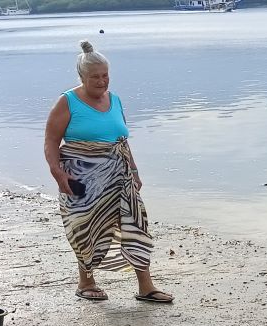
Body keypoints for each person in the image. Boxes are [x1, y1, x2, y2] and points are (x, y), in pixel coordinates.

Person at [44, 40, 172, 303]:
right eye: (95, 77)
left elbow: (121, 139)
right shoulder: (67, 102)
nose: (102, 82)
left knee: (136, 225)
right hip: (81, 176)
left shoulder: (115, 100)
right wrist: (58, 175)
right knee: (86, 227)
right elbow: (50, 141)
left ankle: (145, 286)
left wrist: (134, 170)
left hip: (120, 175)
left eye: (105, 76)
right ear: (82, 76)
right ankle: (86, 281)